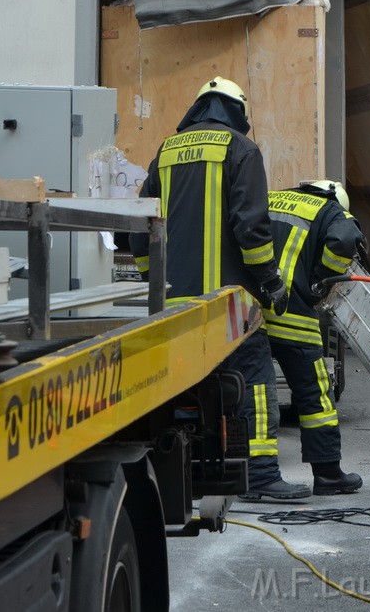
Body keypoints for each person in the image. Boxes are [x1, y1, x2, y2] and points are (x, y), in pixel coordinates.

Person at [130, 75, 310, 500]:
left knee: (183, 386)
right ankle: (262, 476)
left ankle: (179, 476)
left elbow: (139, 229)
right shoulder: (241, 150)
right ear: (237, 113)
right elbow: (251, 228)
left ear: (198, 108)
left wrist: (150, 281)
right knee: (256, 380)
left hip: (174, 303)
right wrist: (270, 283)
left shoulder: (166, 153)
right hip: (227, 303)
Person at [265, 180, 364, 495]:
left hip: (251, 314)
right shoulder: (329, 209)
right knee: (315, 395)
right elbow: (346, 239)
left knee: (253, 393)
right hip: (293, 315)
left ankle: (255, 473)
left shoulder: (272, 198)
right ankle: (328, 475)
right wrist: (321, 278)